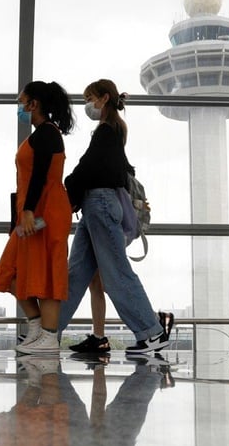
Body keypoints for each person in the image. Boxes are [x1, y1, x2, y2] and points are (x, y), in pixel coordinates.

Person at [58, 79, 173, 354]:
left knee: (116, 273)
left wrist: (69, 186)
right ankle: (50, 332)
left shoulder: (107, 132)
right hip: (94, 206)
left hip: (100, 203)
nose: (87, 105)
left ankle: (153, 331)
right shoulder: (112, 131)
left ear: (104, 98)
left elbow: (89, 167)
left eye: (90, 98)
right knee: (75, 274)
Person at [0, 81, 74, 354]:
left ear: (33, 104)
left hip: (45, 212)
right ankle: (37, 327)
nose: (20, 106)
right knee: (10, 273)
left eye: (21, 101)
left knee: (48, 274)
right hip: (33, 212)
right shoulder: (40, 134)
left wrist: (28, 211)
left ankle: (48, 338)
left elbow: (39, 175)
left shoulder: (48, 133)